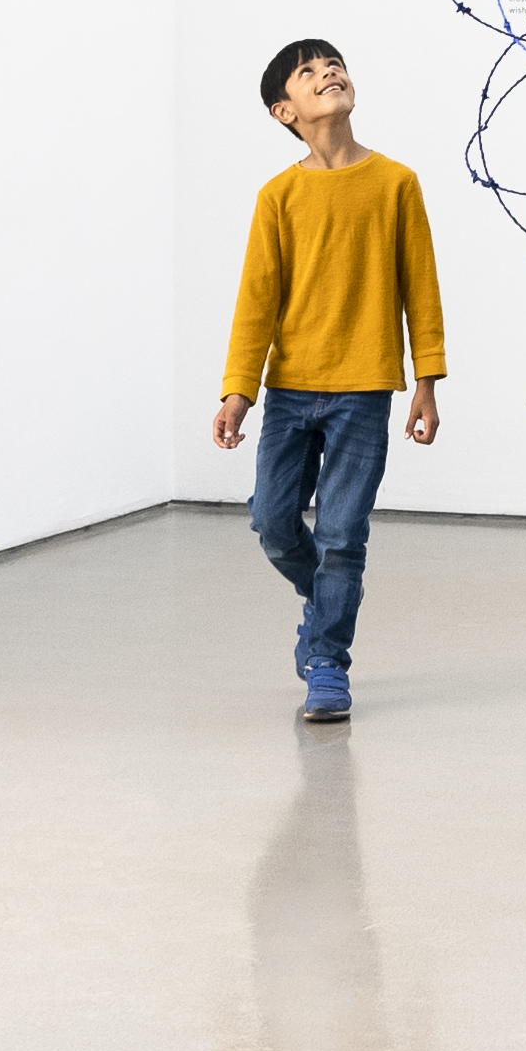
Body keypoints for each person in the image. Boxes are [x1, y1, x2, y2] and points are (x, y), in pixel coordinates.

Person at [213, 38, 445, 722]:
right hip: (289, 391)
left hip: (364, 390)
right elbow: (255, 301)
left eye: (334, 64)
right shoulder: (278, 196)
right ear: (285, 109)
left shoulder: (395, 182)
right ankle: (324, 602)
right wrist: (237, 389)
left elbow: (420, 288)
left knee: (344, 535)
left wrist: (426, 380)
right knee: (272, 520)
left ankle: (326, 663)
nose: (329, 74)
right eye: (309, 72)